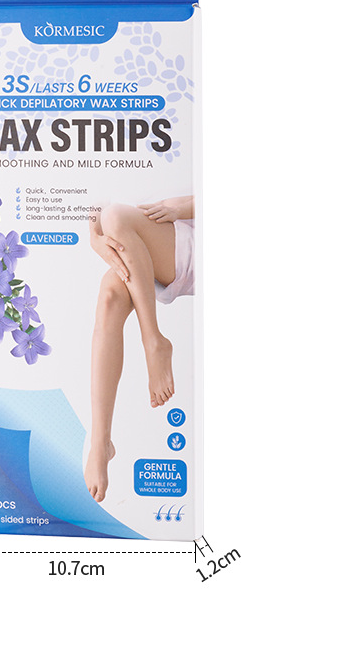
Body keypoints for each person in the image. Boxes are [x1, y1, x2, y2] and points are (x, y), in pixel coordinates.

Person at [84, 196, 195, 502]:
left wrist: (182, 208)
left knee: (116, 217)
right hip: (139, 242)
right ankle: (100, 442)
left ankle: (153, 341)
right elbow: (93, 197)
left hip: (186, 234)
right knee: (109, 298)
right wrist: (94, 236)